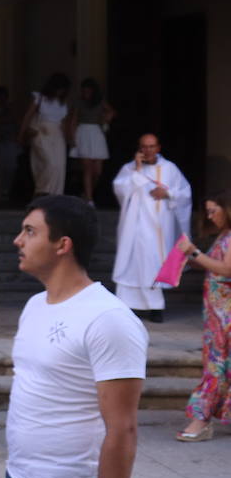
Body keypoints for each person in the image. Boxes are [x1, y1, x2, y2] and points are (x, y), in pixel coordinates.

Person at [2, 195, 146, 478]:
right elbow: (31, 399)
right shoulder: (35, 307)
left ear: (62, 244)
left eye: (30, 231)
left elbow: (122, 430)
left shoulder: (108, 319)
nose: (16, 240)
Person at [112, 134, 192, 323]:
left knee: (153, 262)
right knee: (132, 262)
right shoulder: (129, 169)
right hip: (134, 226)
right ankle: (130, 305)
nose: (147, 150)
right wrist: (138, 169)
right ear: (139, 149)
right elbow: (121, 190)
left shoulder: (170, 169)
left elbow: (185, 192)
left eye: (151, 146)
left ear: (158, 148)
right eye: (144, 147)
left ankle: (155, 307)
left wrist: (168, 192)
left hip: (158, 226)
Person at [175, 191, 231, 441]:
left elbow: (227, 269)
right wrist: (191, 260)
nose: (210, 216)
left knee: (216, 365)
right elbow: (215, 265)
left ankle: (201, 419)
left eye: (213, 210)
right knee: (220, 363)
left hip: (225, 314)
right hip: (216, 313)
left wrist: (195, 253)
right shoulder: (224, 235)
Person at [19, 72, 71, 198]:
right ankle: (42, 191)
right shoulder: (39, 98)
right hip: (41, 134)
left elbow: (64, 123)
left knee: (59, 166)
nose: (61, 92)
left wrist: (69, 138)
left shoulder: (63, 103)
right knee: (50, 164)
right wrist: (21, 134)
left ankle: (55, 196)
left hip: (58, 137)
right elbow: (28, 116)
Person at [67, 78, 116, 206]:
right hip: (83, 133)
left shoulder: (100, 101)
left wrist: (105, 120)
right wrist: (72, 138)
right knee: (87, 168)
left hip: (96, 134)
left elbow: (111, 111)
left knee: (97, 171)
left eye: (88, 91)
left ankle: (86, 193)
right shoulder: (78, 102)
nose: (86, 93)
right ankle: (89, 199)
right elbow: (73, 120)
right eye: (84, 91)